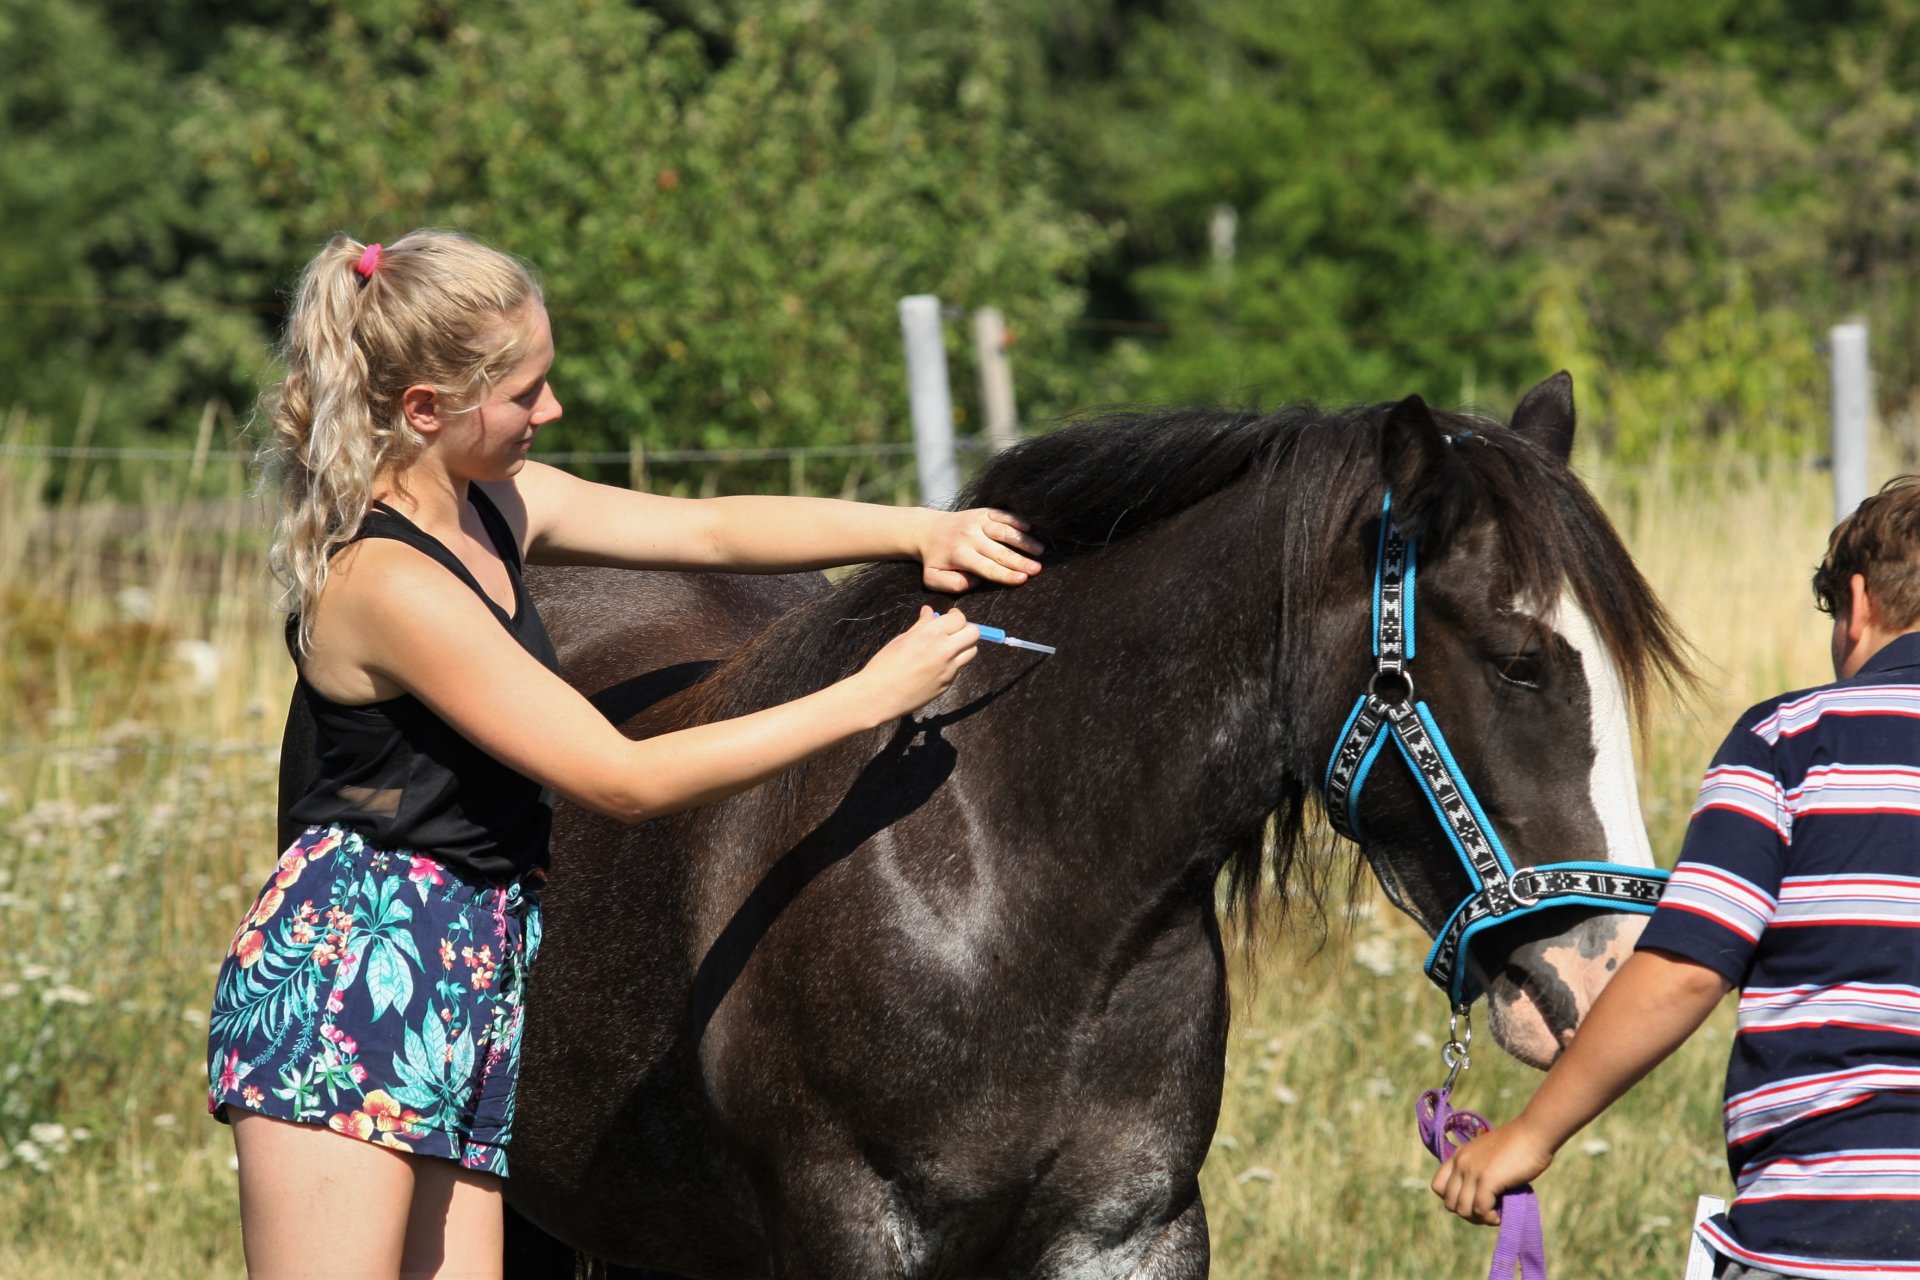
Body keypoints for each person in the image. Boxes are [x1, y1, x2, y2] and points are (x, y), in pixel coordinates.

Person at [204, 229, 1044, 1277]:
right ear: (425, 408)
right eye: (525, 391)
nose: (549, 412)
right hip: (356, 974)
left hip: (474, 961)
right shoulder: (388, 581)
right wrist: (870, 694)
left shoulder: (497, 506)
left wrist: (916, 529)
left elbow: (709, 533)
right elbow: (620, 775)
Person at [1432, 475, 1920, 1278]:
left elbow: (1687, 970)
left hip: (1823, 1232)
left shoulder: (1789, 742)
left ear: (1858, 605)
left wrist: (1532, 1133)